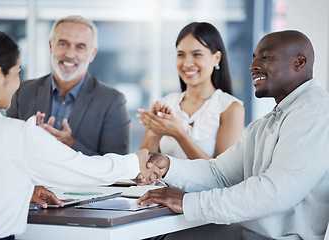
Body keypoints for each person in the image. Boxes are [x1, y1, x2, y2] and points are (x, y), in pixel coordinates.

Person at [0, 27, 158, 240]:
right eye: (17, 73)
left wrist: (22, 189)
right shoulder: (17, 135)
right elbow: (83, 170)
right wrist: (135, 162)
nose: (17, 83)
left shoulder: (111, 99)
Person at [138, 30, 329, 239]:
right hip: (248, 232)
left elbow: (276, 192)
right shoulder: (267, 123)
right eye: (254, 58)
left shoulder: (314, 110)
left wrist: (188, 202)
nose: (253, 66)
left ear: (299, 62)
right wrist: (169, 166)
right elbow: (221, 173)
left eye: (265, 57)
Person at [6, 15, 130, 156]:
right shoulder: (22, 92)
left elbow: (118, 165)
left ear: (92, 54)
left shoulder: (112, 101)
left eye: (80, 47)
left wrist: (70, 145)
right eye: (63, 44)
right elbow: (8, 149)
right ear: (51, 47)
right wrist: (29, 139)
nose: (70, 54)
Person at [138, 22, 244, 160]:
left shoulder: (230, 108)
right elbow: (143, 168)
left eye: (197, 54)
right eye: (181, 55)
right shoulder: (166, 103)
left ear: (216, 58)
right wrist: (153, 133)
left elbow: (224, 176)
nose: (187, 63)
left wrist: (180, 135)